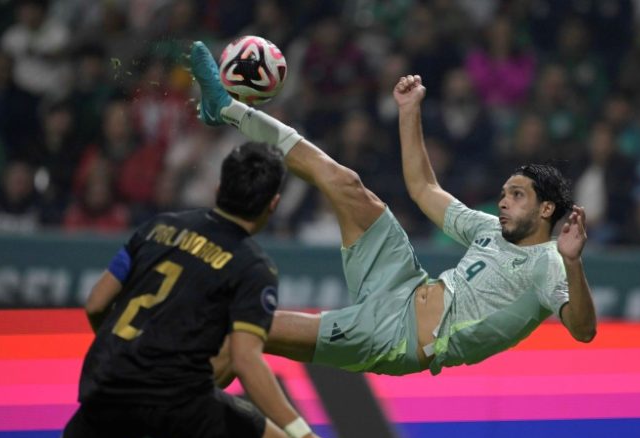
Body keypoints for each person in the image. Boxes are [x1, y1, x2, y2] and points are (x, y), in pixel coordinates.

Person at [189, 41, 596, 379]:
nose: (504, 200)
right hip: (403, 282)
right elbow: (423, 188)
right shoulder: (489, 228)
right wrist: (408, 111)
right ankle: (226, 108)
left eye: (517, 195)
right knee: (344, 182)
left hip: (394, 337)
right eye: (505, 192)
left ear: (546, 209)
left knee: (257, 325)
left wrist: (572, 263)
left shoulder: (550, 265)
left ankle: (170, 405)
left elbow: (583, 331)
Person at [0, 142, 344, 438]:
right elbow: (245, 358)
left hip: (111, 385)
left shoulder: (159, 227)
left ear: (219, 189)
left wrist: (126, 352)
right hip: (180, 400)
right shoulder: (253, 267)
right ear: (273, 204)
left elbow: (97, 303)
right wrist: (302, 434)